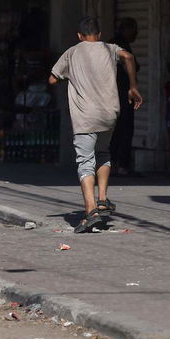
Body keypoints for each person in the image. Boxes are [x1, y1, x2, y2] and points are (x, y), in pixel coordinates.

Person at [49, 16, 142, 234]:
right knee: (103, 153)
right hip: (109, 115)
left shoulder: (72, 52)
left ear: (80, 36)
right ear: (99, 35)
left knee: (85, 162)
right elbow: (128, 57)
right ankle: (102, 199)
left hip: (85, 117)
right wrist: (133, 86)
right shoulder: (110, 48)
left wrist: (69, 77)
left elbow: (52, 79)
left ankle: (91, 211)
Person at [110, 17, 140, 176]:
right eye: (134, 31)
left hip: (112, 94)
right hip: (122, 94)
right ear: (126, 30)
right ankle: (121, 165)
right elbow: (131, 65)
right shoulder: (120, 46)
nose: (136, 35)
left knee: (116, 130)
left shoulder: (113, 44)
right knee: (124, 129)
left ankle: (113, 164)